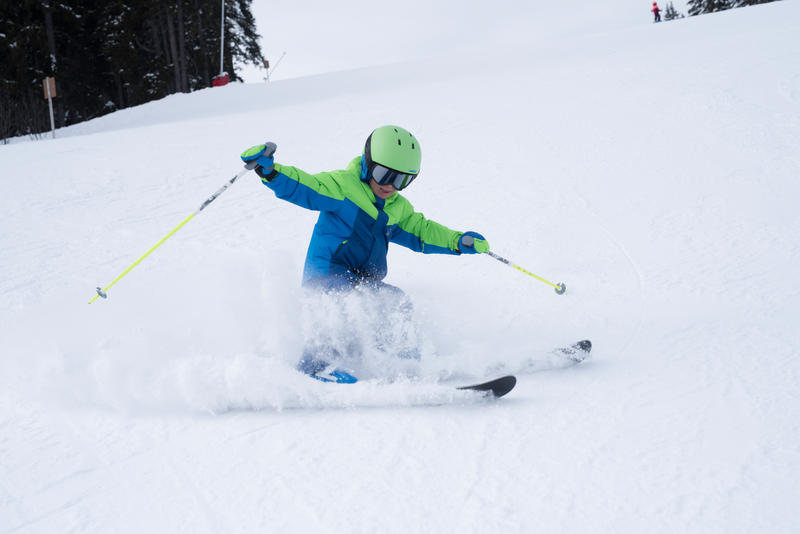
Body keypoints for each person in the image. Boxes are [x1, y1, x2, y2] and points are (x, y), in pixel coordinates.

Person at [240, 125, 490, 383]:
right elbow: (306, 187)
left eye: (403, 180)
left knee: (395, 301)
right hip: (326, 276)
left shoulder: (397, 208)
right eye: (384, 175)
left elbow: (422, 232)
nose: (391, 186)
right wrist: (271, 173)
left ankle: (401, 361)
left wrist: (457, 241)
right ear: (367, 164)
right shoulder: (342, 187)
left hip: (363, 281)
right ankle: (314, 367)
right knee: (342, 300)